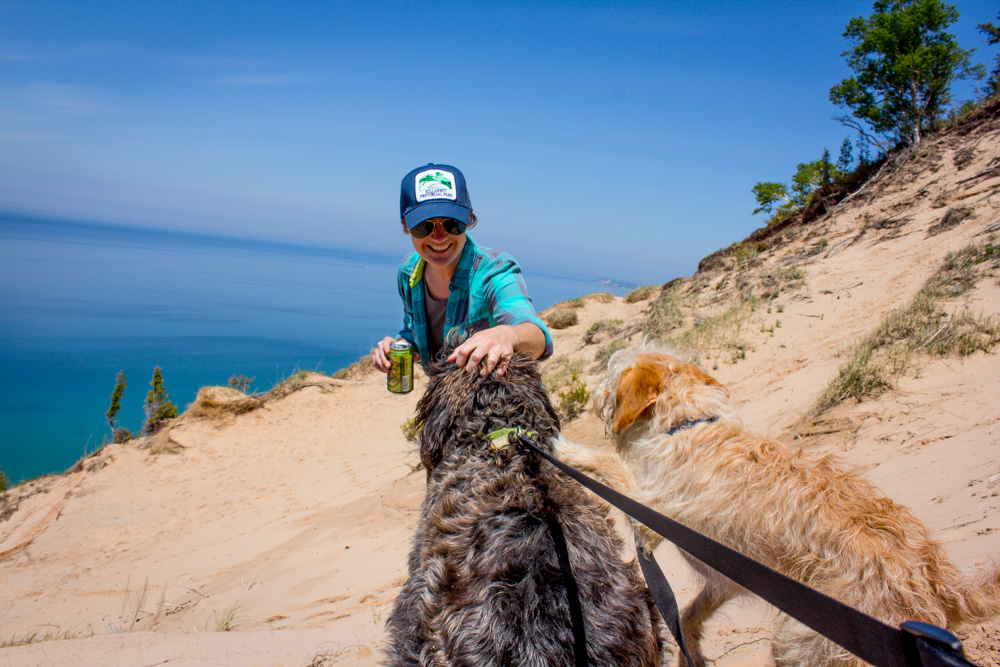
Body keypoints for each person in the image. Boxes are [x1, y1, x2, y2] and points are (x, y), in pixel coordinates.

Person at [372, 163, 552, 377]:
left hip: (500, 401)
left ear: (469, 220)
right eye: (424, 226)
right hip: (446, 401)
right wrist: (402, 344)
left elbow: (537, 336)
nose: (439, 237)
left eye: (451, 224)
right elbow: (414, 330)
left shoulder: (495, 270)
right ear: (406, 227)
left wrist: (506, 335)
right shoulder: (408, 272)